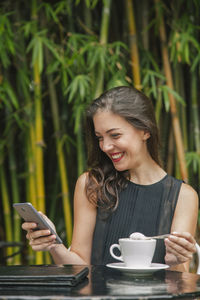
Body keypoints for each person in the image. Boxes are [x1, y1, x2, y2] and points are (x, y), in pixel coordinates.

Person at [22, 86, 198, 272]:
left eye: (115, 135)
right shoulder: (91, 184)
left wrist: (175, 262)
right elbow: (79, 266)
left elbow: (180, 281)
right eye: (99, 137)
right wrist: (53, 243)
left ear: (145, 131)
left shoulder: (183, 196)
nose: (105, 146)